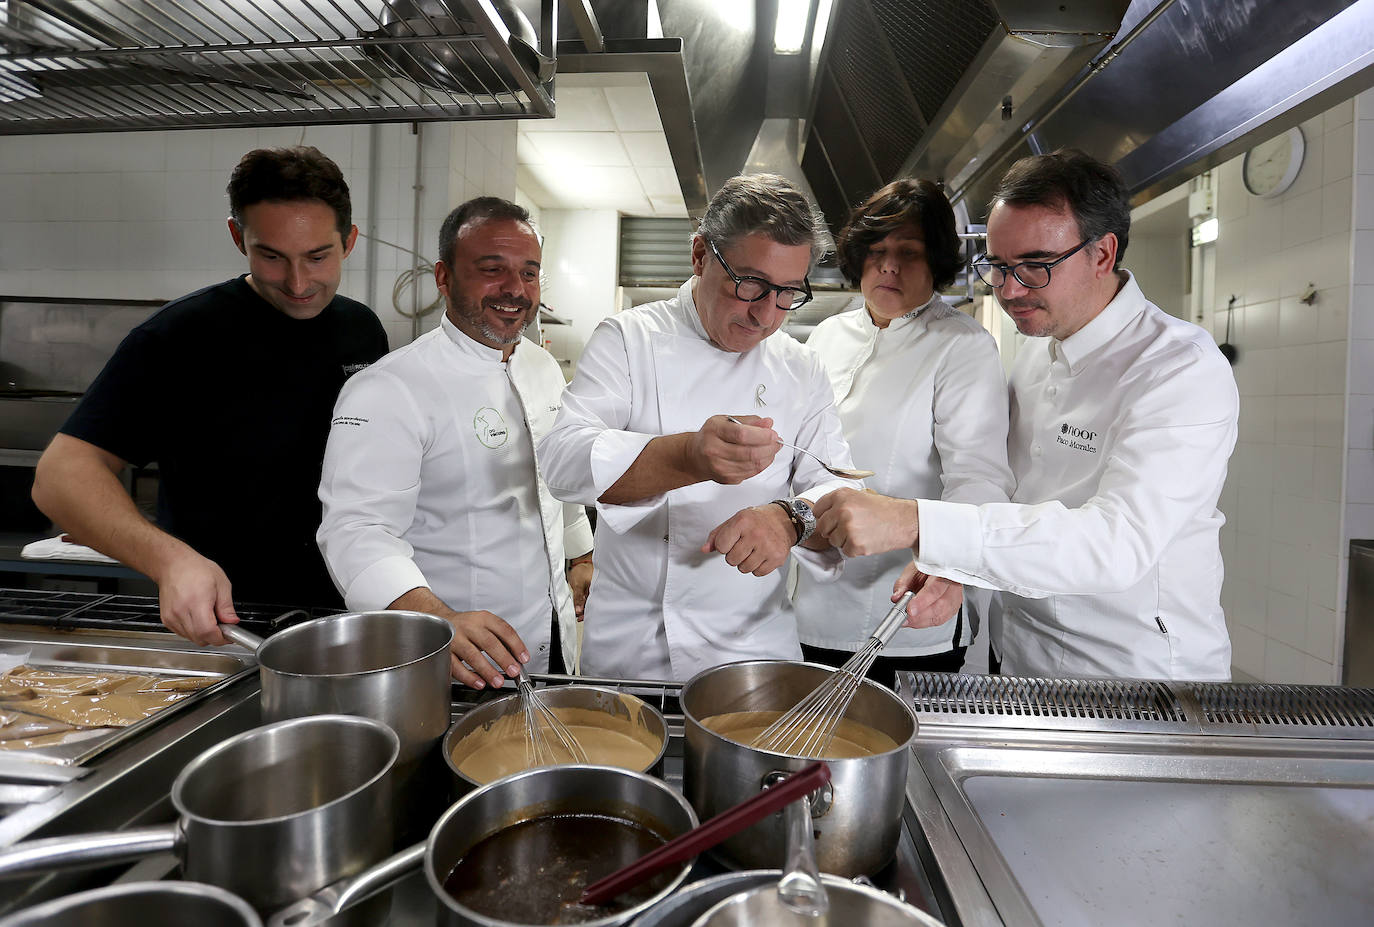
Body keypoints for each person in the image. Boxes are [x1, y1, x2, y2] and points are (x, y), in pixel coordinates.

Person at [813, 150, 1239, 681]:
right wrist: (954, 570)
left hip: (1135, 675)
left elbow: (1117, 543)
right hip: (1018, 658)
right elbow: (1005, 495)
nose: (1011, 291)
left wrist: (918, 521)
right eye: (999, 266)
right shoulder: (1037, 350)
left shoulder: (1178, 367)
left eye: (1035, 266)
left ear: (1102, 254)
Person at [31, 146, 387, 645]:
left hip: (345, 612)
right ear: (238, 236)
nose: (298, 282)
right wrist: (168, 559)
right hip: (222, 623)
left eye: (318, 256)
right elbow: (60, 476)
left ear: (348, 241)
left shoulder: (362, 330)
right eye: (271, 256)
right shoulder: (180, 336)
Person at [538, 173, 861, 682]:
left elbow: (840, 485)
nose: (765, 316)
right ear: (699, 256)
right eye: (750, 284)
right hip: (633, 650)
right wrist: (687, 456)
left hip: (753, 650)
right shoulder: (629, 338)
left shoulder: (801, 368)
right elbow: (562, 461)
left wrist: (790, 517)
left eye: (787, 294)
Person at [316, 197, 594, 690]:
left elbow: (556, 477)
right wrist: (432, 620)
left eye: (529, 274)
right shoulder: (390, 387)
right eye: (493, 270)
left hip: (551, 637)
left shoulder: (542, 367)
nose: (515, 289)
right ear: (443, 278)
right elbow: (357, 531)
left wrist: (582, 556)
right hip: (451, 657)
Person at [794, 180, 1014, 687]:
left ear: (936, 263)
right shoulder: (827, 336)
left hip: (905, 611)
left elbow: (978, 478)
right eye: (876, 251)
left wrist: (953, 564)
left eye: (908, 252)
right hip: (809, 602)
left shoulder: (962, 347)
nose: (888, 265)